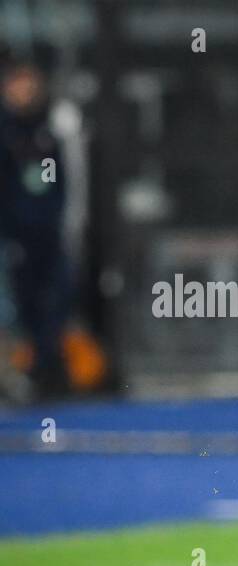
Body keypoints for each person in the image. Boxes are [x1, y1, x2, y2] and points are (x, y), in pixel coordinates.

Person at [0, 59, 71, 399]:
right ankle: (17, 371)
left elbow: (56, 184)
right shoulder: (5, 132)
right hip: (11, 237)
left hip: (46, 233)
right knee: (17, 305)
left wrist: (55, 220)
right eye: (17, 83)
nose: (24, 91)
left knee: (53, 300)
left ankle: (45, 368)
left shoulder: (47, 132)